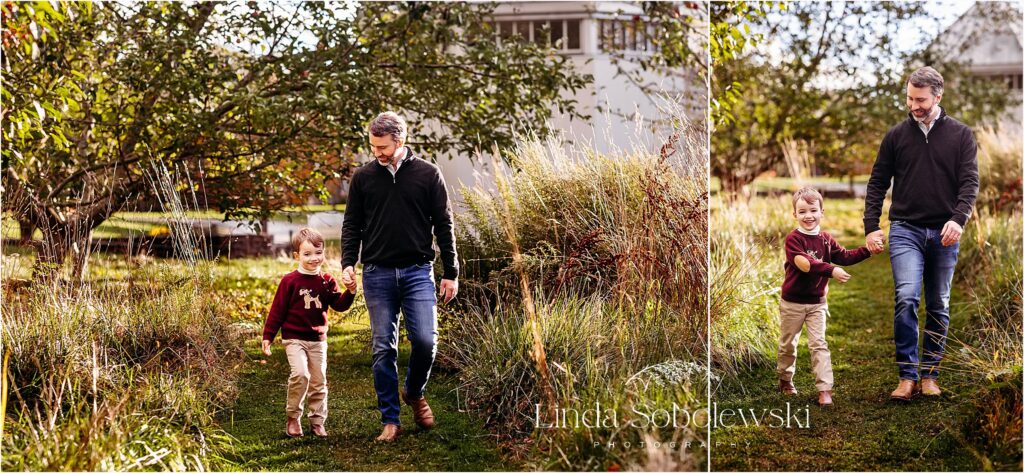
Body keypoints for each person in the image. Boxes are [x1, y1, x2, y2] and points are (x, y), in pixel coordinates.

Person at [340, 111, 459, 442]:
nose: (377, 153)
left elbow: (445, 225)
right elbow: (352, 224)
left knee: (425, 342)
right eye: (373, 146)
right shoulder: (364, 177)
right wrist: (348, 262)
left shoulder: (428, 174)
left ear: (401, 141)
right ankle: (390, 419)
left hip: (418, 271)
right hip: (377, 273)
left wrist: (451, 273)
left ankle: (414, 391)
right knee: (383, 348)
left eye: (383, 147)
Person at [863, 66, 979, 402]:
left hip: (945, 232)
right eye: (910, 99)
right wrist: (872, 226)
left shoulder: (960, 134)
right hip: (905, 229)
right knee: (907, 297)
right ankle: (907, 375)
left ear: (938, 96)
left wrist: (958, 219)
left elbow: (970, 183)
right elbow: (877, 183)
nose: (914, 105)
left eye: (921, 100)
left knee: (939, 304)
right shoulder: (896, 136)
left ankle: (930, 374)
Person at [778, 187, 875, 407]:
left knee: (818, 344)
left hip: (816, 304)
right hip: (792, 302)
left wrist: (867, 250)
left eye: (813, 210)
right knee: (788, 345)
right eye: (802, 211)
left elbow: (845, 256)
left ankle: (824, 389)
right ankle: (785, 379)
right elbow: (805, 264)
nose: (808, 216)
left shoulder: (826, 239)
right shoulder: (793, 239)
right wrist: (831, 270)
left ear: (822, 212)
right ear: (795, 214)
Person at [262, 228, 356, 437]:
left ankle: (317, 421)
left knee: (318, 380)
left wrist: (350, 291)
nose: (314, 258)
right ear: (297, 256)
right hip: (294, 338)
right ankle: (293, 418)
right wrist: (268, 336)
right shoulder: (290, 281)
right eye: (307, 254)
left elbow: (339, 305)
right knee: (300, 374)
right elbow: (277, 310)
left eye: (318, 252)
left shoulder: (327, 281)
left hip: (318, 340)